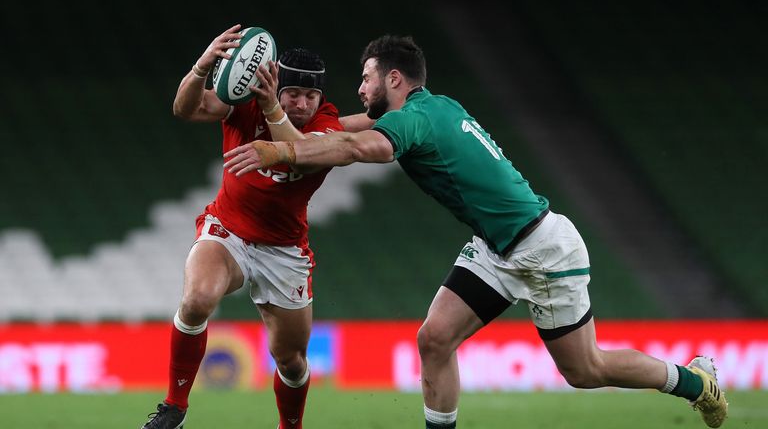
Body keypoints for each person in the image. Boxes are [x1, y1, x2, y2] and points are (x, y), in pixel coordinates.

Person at [222, 34, 730, 428]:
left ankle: (694, 381)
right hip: (497, 247)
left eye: (367, 78)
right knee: (434, 340)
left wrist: (278, 150)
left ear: (394, 78)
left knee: (585, 371)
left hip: (542, 248)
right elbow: (340, 132)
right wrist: (279, 118)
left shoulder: (414, 121)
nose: (359, 88)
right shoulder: (434, 107)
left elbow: (358, 149)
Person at [140, 24, 346, 429]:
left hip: (284, 250)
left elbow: (299, 156)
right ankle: (174, 408)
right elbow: (186, 109)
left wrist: (274, 108)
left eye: (310, 95)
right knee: (197, 299)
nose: (302, 103)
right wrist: (202, 67)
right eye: (292, 93)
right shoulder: (244, 102)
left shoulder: (328, 123)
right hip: (228, 230)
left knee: (290, 359)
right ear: (275, 83)